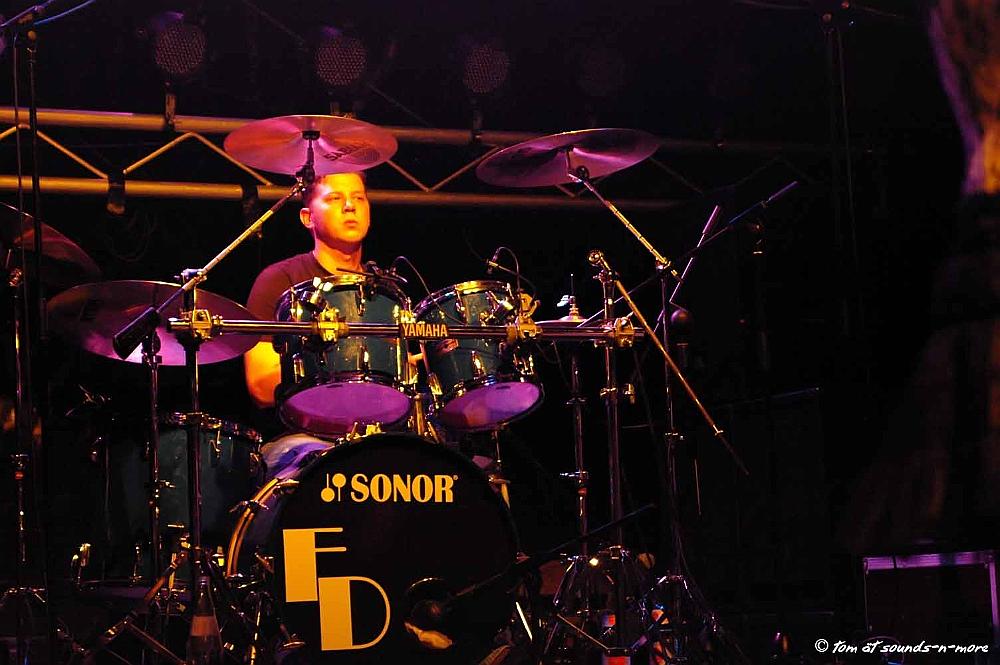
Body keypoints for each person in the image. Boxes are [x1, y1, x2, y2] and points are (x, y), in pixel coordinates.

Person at [243, 171, 370, 408]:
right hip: (306, 427)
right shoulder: (279, 281)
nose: (350, 206)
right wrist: (344, 368)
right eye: (334, 198)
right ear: (307, 217)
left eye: (359, 198)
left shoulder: (385, 291)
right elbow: (261, 388)